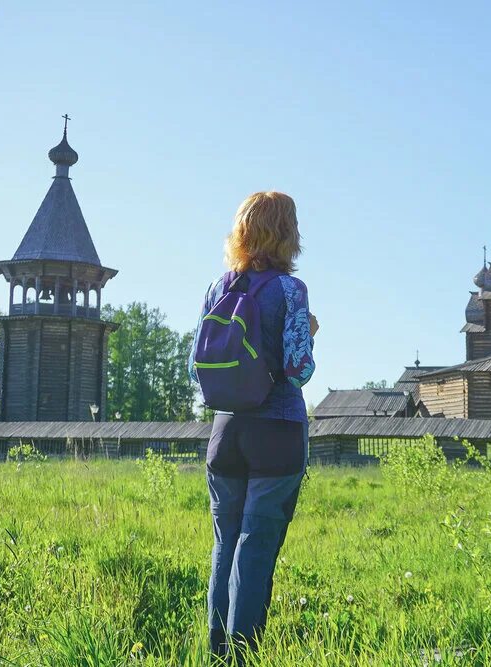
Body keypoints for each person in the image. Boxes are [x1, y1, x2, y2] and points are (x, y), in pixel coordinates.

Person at [188, 191, 317, 659]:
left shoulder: (218, 288)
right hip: (277, 431)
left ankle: (217, 652)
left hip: (225, 435)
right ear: (288, 235)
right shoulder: (289, 291)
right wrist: (311, 333)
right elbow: (299, 368)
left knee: (225, 549)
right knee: (256, 550)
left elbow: (194, 369)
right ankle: (243, 657)